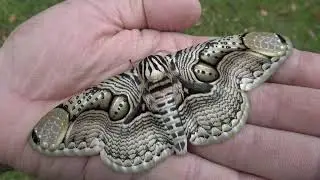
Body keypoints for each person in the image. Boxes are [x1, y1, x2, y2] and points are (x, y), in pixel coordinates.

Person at [0, 0, 319, 179]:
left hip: (155, 124)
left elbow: (243, 49)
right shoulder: (188, 61)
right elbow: (59, 126)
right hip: (192, 106)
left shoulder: (116, 87)